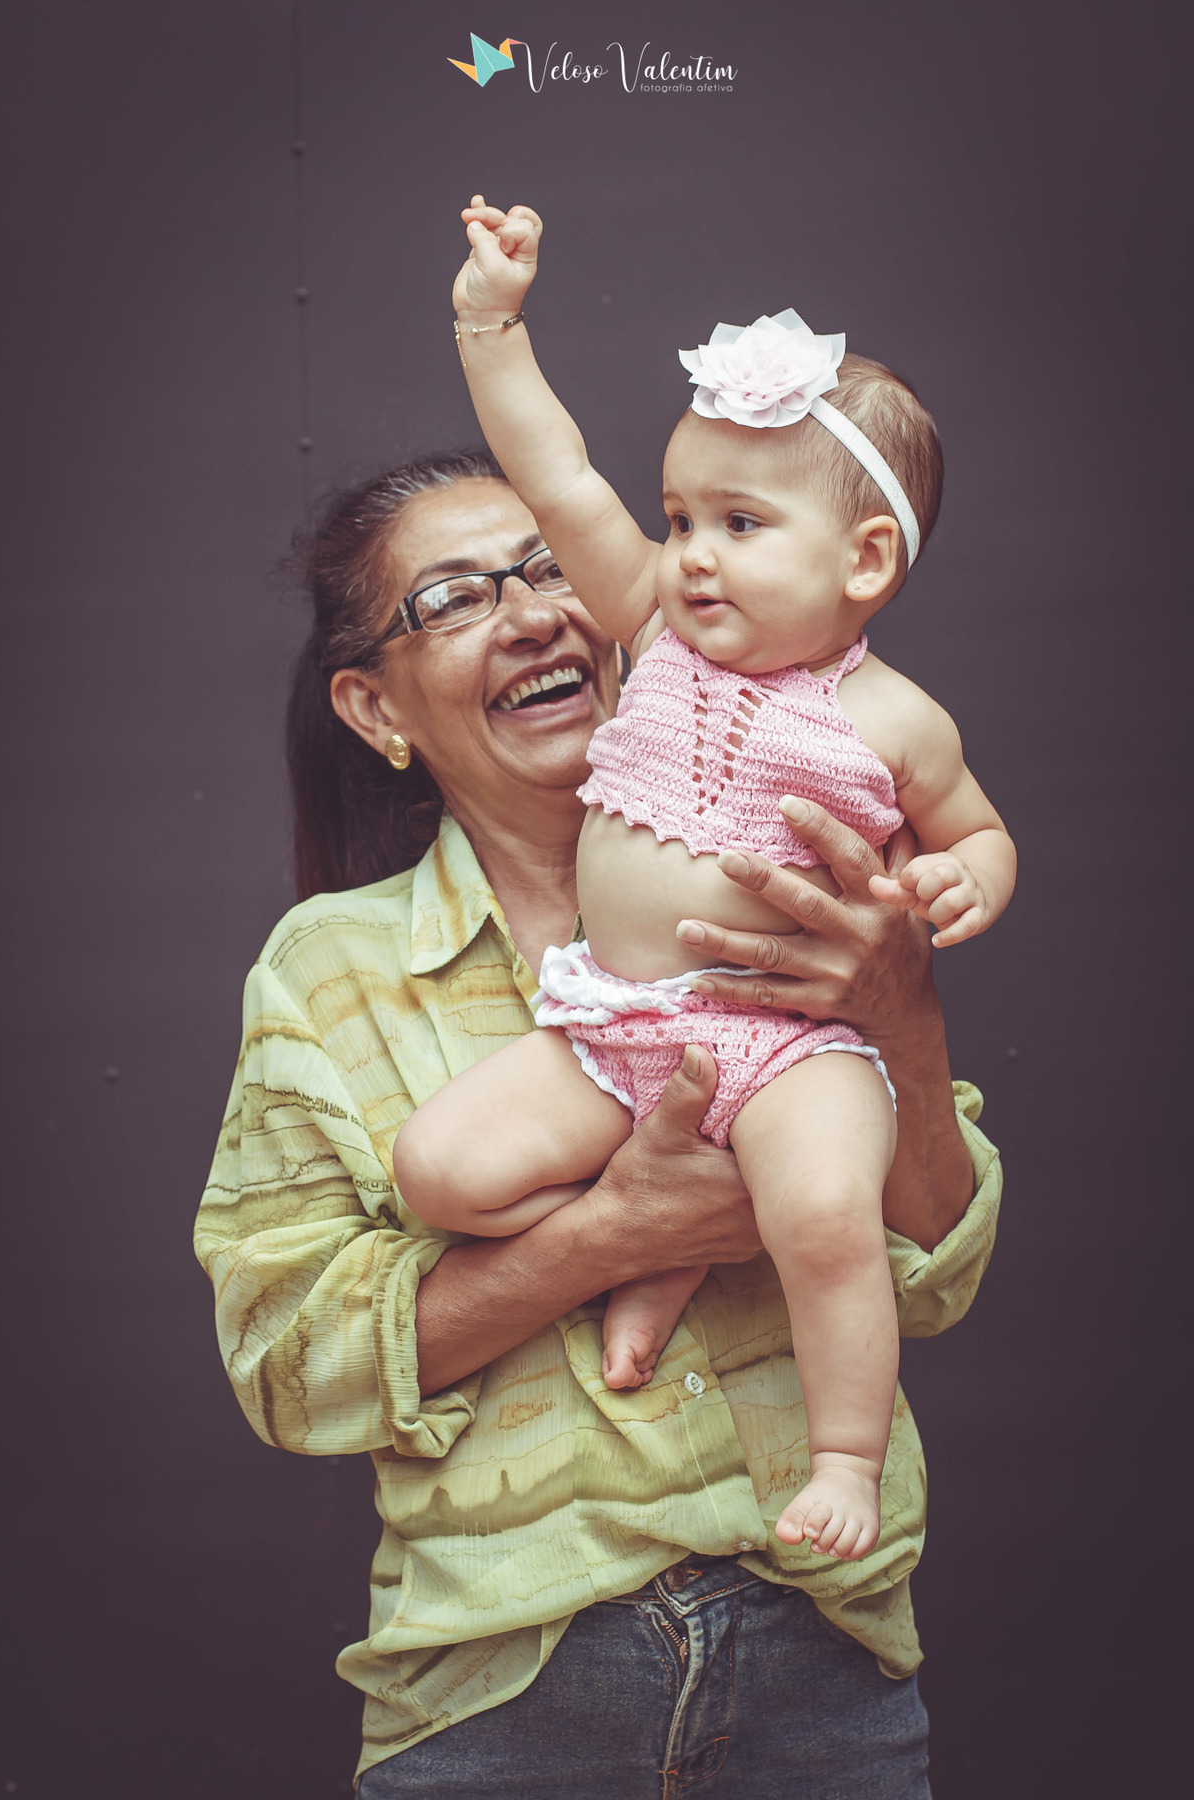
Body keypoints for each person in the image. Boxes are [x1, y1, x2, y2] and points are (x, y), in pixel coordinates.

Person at [194, 447, 1001, 1797]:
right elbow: (289, 1364)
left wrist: (901, 1012)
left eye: (549, 565)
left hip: (821, 1654)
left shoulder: (797, 876)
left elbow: (936, 1270)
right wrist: (615, 1232)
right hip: (504, 1685)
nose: (530, 614)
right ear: (373, 708)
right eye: (452, 600)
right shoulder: (324, 972)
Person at [391, 198, 1016, 1563]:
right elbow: (557, 477)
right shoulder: (657, 628)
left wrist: (965, 882)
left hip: (793, 1051)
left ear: (866, 562)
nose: (692, 552)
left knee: (824, 1224)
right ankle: (651, 1235)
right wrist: (488, 323)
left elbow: (976, 829)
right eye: (680, 516)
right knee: (437, 1167)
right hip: (619, 1030)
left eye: (739, 521)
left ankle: (843, 1461)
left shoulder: (894, 718)